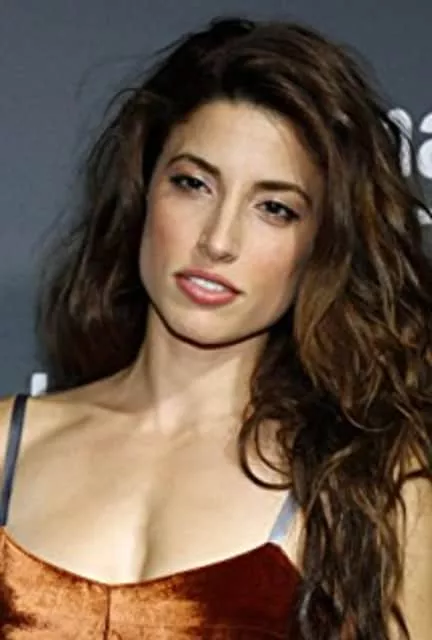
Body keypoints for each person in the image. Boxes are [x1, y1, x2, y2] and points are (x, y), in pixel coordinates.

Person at [0, 15, 431, 640]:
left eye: (274, 208)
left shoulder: (370, 490)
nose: (218, 240)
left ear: (321, 244)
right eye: (194, 184)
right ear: (143, 190)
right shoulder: (7, 446)